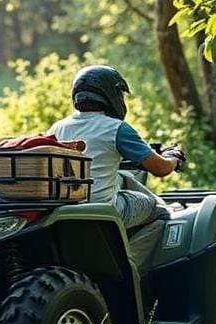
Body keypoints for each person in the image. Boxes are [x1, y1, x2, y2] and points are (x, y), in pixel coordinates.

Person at [47, 65, 186, 228]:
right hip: (105, 211)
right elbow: (161, 169)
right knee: (156, 208)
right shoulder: (116, 128)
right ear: (110, 94)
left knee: (123, 178)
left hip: (66, 209)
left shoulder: (57, 128)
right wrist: (173, 159)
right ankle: (137, 252)